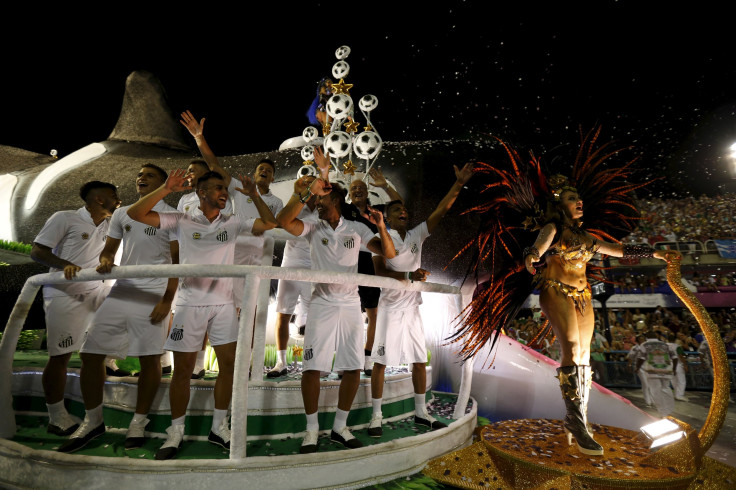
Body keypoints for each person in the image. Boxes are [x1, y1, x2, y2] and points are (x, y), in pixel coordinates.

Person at [447, 129, 678, 458]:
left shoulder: (589, 237)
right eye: (571, 197)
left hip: (584, 295)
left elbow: (620, 250)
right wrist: (531, 257)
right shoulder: (553, 229)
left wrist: (655, 254)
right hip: (556, 292)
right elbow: (538, 247)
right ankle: (575, 419)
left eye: (578, 197)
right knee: (570, 349)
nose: (578, 201)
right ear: (559, 203)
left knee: (584, 356)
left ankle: (579, 418)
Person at [126, 168, 277, 460]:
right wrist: (165, 190)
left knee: (229, 368)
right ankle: (176, 431)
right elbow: (135, 214)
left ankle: (218, 427)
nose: (224, 192)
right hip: (188, 304)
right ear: (202, 193)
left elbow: (270, 222)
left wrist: (254, 194)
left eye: (225, 188)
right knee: (182, 371)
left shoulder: (233, 222)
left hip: (223, 305)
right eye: (218, 188)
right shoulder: (181, 220)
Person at [58, 164, 179, 453]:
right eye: (139, 175)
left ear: (164, 183)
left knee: (150, 359)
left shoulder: (172, 216)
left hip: (154, 292)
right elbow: (109, 248)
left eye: (148, 175)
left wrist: (167, 299)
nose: (141, 178)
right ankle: (94, 420)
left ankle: (139, 422)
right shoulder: (123, 214)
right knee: (90, 353)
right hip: (123, 290)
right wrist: (106, 260)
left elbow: (178, 261)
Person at [277, 176, 396, 453]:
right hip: (320, 304)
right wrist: (306, 193)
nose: (317, 203)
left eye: (322, 199)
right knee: (312, 368)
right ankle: (311, 430)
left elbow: (388, 253)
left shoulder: (355, 229)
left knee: (353, 368)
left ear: (336, 201)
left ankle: (339, 427)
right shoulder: (312, 228)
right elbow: (283, 221)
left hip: (350, 306)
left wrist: (381, 227)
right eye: (316, 199)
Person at [367, 163, 473, 437]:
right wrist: (410, 273)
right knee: (380, 362)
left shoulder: (416, 235)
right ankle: (376, 416)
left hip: (412, 308)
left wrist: (458, 184)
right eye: (397, 211)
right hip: (390, 308)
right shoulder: (380, 239)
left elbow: (442, 209)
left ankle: (421, 412)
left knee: (417, 361)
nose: (404, 212)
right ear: (387, 218)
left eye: (404, 210)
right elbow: (381, 272)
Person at [30, 181, 121, 436]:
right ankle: (56, 415)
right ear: (100, 199)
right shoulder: (64, 218)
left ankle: (94, 415)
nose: (118, 200)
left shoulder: (111, 224)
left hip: (98, 293)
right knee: (61, 355)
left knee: (95, 354)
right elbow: (37, 251)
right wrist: (64, 265)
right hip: (64, 294)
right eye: (114, 196)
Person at [180, 110, 284, 311]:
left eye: (269, 171)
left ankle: (248, 343)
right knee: (226, 303)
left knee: (251, 306)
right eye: (260, 169)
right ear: (253, 174)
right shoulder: (238, 187)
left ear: (273, 178)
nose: (264, 171)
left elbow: (274, 226)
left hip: (258, 253)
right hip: (233, 249)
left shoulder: (277, 202)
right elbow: (213, 165)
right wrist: (199, 138)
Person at [343, 169, 403, 375]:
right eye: (353, 188)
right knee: (346, 313)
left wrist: (386, 185)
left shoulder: (377, 210)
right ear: (348, 194)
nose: (357, 190)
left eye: (361, 188)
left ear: (368, 193)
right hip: (347, 264)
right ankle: (346, 360)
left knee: (373, 313)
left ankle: (368, 358)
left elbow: (399, 206)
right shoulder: (343, 210)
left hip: (372, 263)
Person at [636, 330, 677, 417]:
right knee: (666, 389)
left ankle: (663, 412)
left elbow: (641, 358)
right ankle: (669, 410)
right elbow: (675, 357)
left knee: (655, 391)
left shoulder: (644, 345)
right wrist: (674, 368)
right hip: (666, 370)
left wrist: (637, 367)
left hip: (653, 371)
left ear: (647, 337)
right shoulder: (665, 344)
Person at [668, 332, 689, 401]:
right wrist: (685, 365)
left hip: (668, 365)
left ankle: (676, 394)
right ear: (675, 340)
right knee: (681, 380)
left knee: (673, 380)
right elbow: (681, 356)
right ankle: (680, 395)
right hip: (677, 365)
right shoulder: (677, 347)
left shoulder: (664, 346)